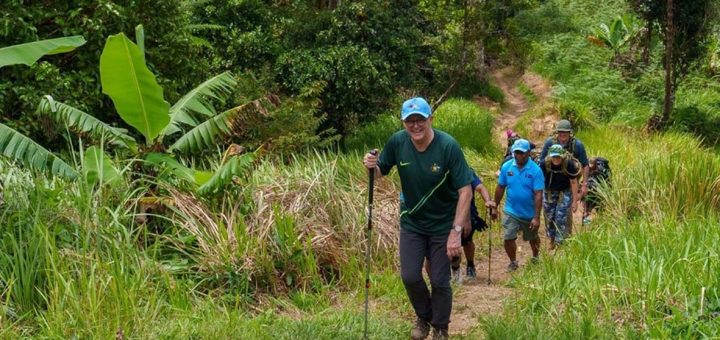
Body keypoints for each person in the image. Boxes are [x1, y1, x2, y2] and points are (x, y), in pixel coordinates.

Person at [363, 97, 473, 340]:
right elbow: (380, 171)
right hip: (412, 222)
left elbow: (465, 189)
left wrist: (456, 232)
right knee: (410, 276)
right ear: (403, 122)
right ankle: (424, 316)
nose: (415, 125)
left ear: (430, 119)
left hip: (443, 224)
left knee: (439, 280)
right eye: (410, 121)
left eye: (420, 120)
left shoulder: (448, 146)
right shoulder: (398, 142)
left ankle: (440, 327)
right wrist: (370, 166)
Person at [490, 139, 544, 272]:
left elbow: (538, 195)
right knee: (508, 237)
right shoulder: (507, 167)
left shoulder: (536, 170)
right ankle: (513, 262)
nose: (519, 155)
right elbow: (500, 187)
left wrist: (536, 217)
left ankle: (535, 256)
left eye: (522, 153)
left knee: (532, 237)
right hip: (511, 210)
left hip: (528, 212)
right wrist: (495, 206)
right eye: (517, 152)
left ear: (528, 153)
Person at [539, 120, 589, 235]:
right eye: (560, 134)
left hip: (568, 183)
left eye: (565, 134)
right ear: (557, 133)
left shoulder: (577, 145)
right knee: (549, 214)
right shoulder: (549, 143)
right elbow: (541, 165)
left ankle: (563, 240)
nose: (562, 137)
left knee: (564, 214)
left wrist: (584, 185)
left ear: (570, 133)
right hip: (550, 184)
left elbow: (585, 165)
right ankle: (551, 237)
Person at [450, 170, 495, 282]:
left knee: (467, 241)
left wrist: (488, 201)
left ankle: (470, 265)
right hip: (447, 213)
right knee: (452, 243)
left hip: (468, 212)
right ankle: (454, 268)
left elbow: (480, 188)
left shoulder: (466, 171)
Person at [539, 144, 580, 249]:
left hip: (564, 191)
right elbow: (538, 180)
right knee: (549, 216)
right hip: (549, 191)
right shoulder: (544, 163)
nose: (556, 159)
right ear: (550, 156)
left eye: (558, 157)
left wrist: (575, 201)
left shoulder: (569, 164)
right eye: (554, 157)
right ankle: (551, 239)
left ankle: (560, 242)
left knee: (561, 217)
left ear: (562, 156)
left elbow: (574, 182)